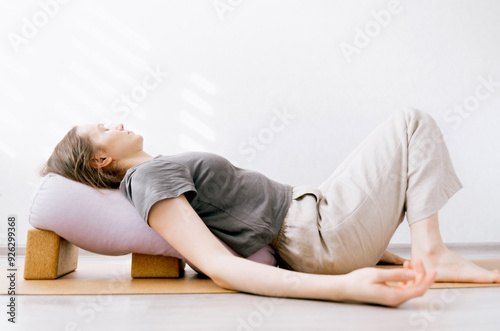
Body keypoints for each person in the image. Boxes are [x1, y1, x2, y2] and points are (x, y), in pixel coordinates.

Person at [40, 108, 500, 307]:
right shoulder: (148, 179)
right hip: (316, 231)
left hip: (317, 220)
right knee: (411, 122)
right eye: (103, 127)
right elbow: (220, 265)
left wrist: (381, 255)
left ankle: (427, 251)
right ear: (102, 160)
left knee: (407, 130)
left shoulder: (157, 170)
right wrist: (346, 287)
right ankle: (432, 252)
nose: (116, 122)